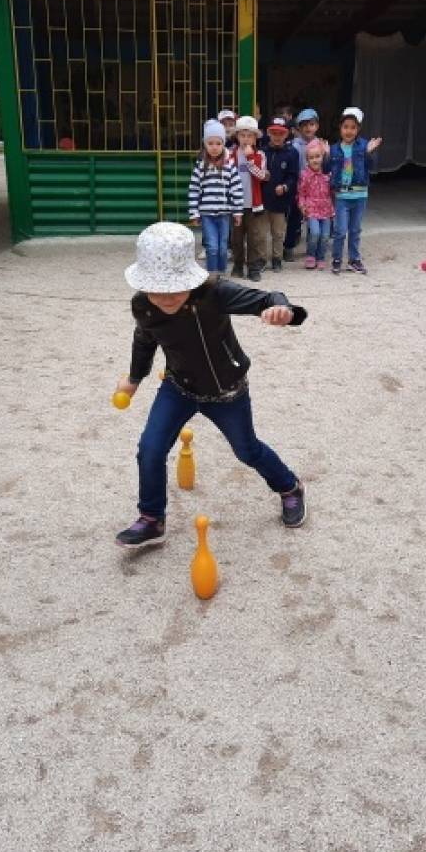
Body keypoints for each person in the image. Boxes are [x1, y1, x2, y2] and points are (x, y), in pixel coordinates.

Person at [114, 222, 308, 547]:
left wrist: (284, 310)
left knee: (247, 451)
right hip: (179, 387)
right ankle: (151, 518)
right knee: (150, 449)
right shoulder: (143, 305)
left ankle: (290, 487)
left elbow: (268, 299)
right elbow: (144, 339)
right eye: (155, 288)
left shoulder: (215, 293)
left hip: (226, 392)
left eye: (173, 287)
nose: (165, 297)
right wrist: (134, 379)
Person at [328, 107, 382, 276]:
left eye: (353, 127)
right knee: (340, 230)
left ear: (358, 129)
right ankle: (337, 259)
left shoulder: (364, 146)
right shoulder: (335, 149)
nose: (349, 131)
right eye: (345, 127)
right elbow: (324, 169)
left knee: (355, 230)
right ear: (340, 128)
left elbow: (372, 167)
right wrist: (326, 155)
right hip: (342, 196)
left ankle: (354, 260)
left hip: (359, 195)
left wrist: (368, 153)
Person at [188, 119, 243, 275]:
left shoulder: (229, 165)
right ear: (205, 144)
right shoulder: (201, 166)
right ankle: (211, 276)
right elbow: (194, 190)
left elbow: (236, 189)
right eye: (210, 143)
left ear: (223, 144)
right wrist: (194, 212)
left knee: (223, 247)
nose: (214, 147)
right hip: (207, 215)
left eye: (218, 143)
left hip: (224, 215)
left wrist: (238, 211)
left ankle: (221, 275)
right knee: (212, 247)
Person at [284, 108, 329, 262]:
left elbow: (326, 165)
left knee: (315, 220)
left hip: (316, 190)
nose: (308, 128)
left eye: (311, 124)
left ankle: (313, 248)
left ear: (316, 125)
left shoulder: (321, 144)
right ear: (298, 128)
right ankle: (288, 247)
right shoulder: (294, 145)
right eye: (304, 125)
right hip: (299, 188)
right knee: (294, 218)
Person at [230, 116, 270, 281]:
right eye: (242, 135)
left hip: (253, 205)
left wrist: (250, 159)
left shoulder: (260, 154)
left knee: (254, 238)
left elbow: (261, 177)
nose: (246, 139)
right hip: (236, 206)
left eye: (250, 136)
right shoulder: (231, 154)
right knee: (237, 239)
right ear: (237, 136)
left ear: (255, 138)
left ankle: (253, 268)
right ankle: (238, 265)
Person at [261, 116, 299, 273]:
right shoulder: (262, 151)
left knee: (278, 232)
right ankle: (261, 260)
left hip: (280, 200)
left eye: (281, 133)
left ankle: (277, 259)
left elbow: (293, 175)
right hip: (262, 199)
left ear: (286, 134)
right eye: (274, 133)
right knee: (261, 233)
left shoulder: (292, 153)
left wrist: (285, 186)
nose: (277, 136)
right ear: (268, 133)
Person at [297, 143, 335, 269]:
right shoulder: (305, 175)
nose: (315, 160)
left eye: (317, 156)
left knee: (325, 236)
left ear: (322, 157)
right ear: (307, 160)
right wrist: (302, 206)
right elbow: (301, 193)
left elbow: (333, 189)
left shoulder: (327, 174)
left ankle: (321, 257)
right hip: (311, 209)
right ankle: (311, 255)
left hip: (326, 209)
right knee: (315, 233)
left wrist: (329, 154)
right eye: (311, 157)